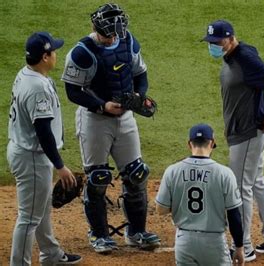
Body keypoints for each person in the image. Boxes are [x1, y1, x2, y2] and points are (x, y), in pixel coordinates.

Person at [61, 3, 160, 253]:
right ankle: (99, 235)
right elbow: (73, 91)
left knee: (137, 173)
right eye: (108, 34)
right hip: (94, 120)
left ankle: (136, 232)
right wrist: (101, 106)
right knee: (98, 177)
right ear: (96, 27)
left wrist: (139, 96)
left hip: (125, 118)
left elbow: (141, 74)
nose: (112, 38)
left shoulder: (127, 41)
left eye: (116, 33)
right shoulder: (82, 52)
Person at [202, 20, 264, 262]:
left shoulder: (245, 58)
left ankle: (245, 246)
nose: (213, 46)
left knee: (241, 188)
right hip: (242, 131)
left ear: (230, 38)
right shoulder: (234, 55)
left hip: (249, 132)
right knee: (256, 181)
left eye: (217, 42)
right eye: (210, 42)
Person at [7, 31, 82, 265]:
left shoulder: (27, 73)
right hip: (32, 157)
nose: (57, 54)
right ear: (45, 56)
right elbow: (43, 131)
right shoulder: (37, 87)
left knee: (40, 210)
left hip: (25, 150)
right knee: (28, 219)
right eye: (54, 51)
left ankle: (50, 254)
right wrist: (60, 166)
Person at [156, 123, 245, 265]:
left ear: (189, 144)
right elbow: (234, 215)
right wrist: (239, 247)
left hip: (184, 241)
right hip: (214, 242)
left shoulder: (172, 171)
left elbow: (161, 209)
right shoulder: (224, 174)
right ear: (212, 143)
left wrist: (181, 203)